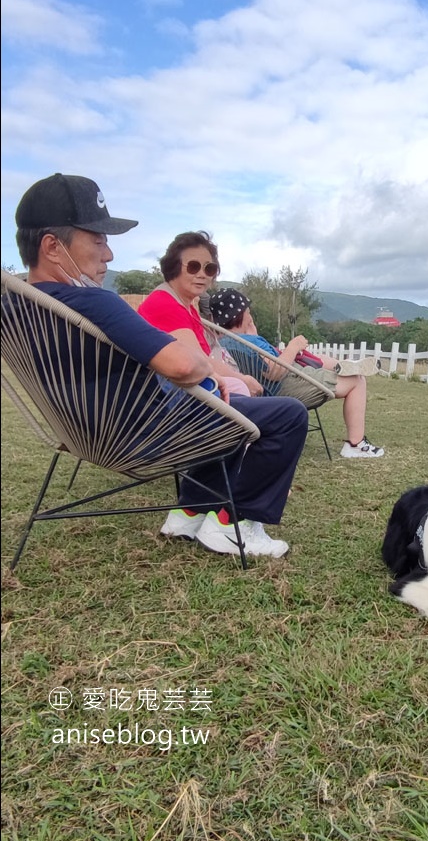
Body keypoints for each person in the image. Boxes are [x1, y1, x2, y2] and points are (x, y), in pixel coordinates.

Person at [13, 174, 308, 558]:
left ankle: (188, 513)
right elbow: (183, 365)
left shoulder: (15, 308)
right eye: (99, 240)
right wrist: (210, 373)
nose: (109, 255)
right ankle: (232, 525)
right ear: (53, 247)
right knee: (287, 415)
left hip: (85, 432)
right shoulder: (94, 303)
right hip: (145, 436)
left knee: (210, 408)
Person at [208, 288, 386, 459]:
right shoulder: (247, 342)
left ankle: (343, 366)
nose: (250, 313)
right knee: (357, 381)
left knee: (322, 359)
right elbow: (274, 372)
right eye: (247, 310)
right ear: (241, 314)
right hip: (287, 385)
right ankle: (355, 444)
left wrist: (254, 334)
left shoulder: (225, 343)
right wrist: (294, 346)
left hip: (272, 388)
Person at [138, 231, 261, 400]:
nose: (202, 274)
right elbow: (198, 362)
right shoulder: (164, 304)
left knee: (283, 408)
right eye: (193, 266)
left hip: (200, 391)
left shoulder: (187, 306)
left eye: (209, 268)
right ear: (173, 267)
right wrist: (243, 379)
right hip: (179, 400)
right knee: (290, 411)